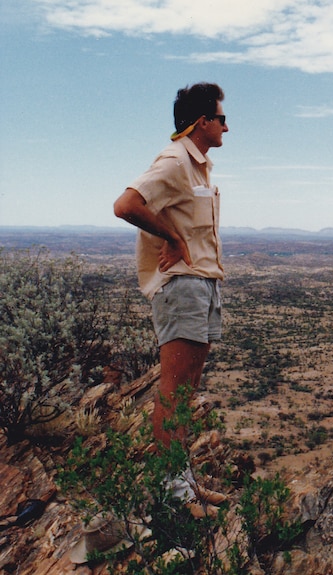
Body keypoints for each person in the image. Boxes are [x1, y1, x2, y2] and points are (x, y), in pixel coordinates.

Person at [113, 82, 228, 450]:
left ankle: (182, 479)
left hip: (203, 282)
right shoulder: (175, 161)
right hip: (181, 284)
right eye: (221, 119)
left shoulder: (198, 167)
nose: (227, 127)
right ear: (202, 121)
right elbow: (126, 205)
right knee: (174, 391)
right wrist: (173, 239)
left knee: (187, 389)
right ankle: (172, 486)